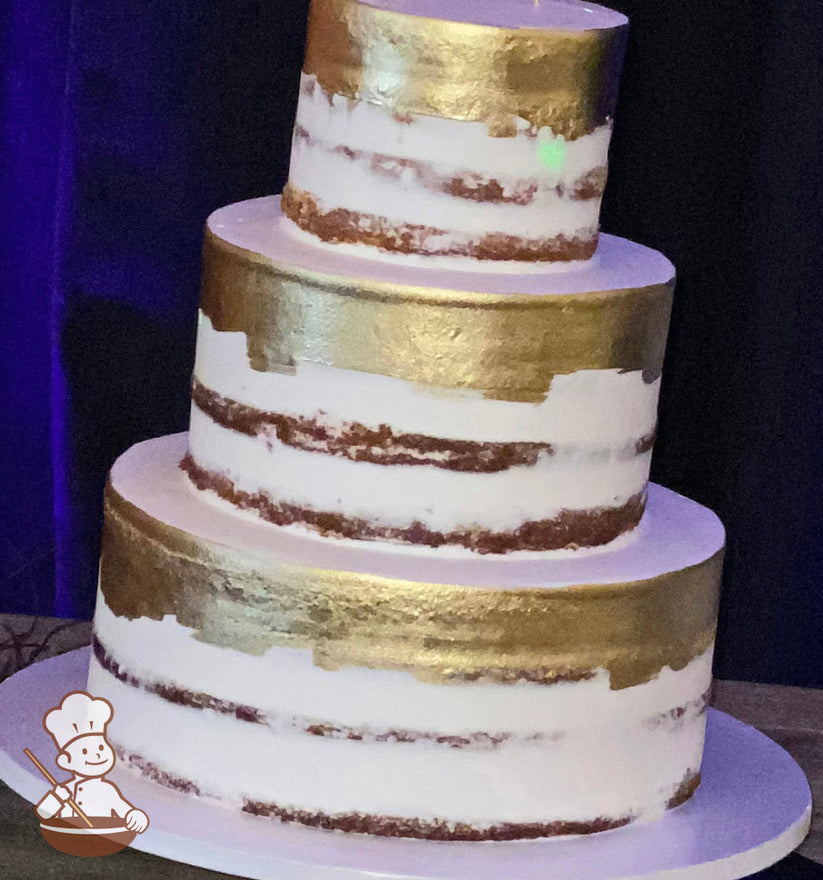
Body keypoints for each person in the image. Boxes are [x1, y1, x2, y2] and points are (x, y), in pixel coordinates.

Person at [34, 691, 149, 833]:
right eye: (84, 751)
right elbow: (44, 813)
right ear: (66, 761)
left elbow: (125, 811)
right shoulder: (67, 789)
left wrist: (135, 816)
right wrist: (57, 797)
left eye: (101, 747)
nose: (96, 754)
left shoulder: (108, 790)